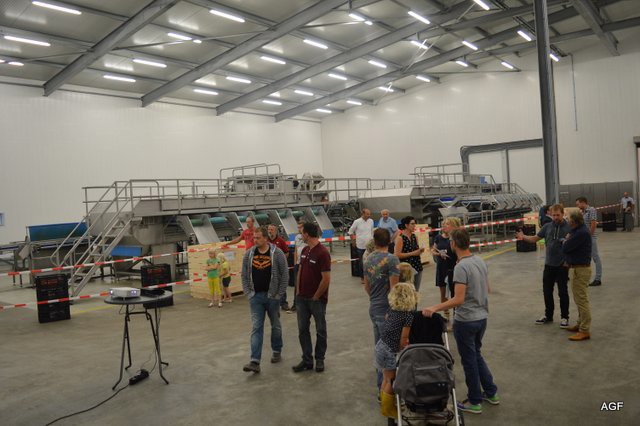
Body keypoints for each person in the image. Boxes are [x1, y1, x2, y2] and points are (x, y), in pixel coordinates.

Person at [422, 228, 499, 415]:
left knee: (469, 361)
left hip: (466, 321)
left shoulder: (461, 267)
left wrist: (435, 308)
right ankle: (491, 392)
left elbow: (458, 299)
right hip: (481, 318)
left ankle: (474, 401)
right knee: (476, 355)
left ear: (453, 244)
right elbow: (487, 288)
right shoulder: (479, 260)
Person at [241, 227, 289, 373]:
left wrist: (279, 294)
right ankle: (254, 361)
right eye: (254, 238)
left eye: (258, 238)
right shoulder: (249, 254)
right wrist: (248, 293)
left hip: (272, 297)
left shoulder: (277, 253)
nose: (255, 240)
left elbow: (285, 274)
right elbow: (244, 275)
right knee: (256, 327)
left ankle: (277, 350)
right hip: (255, 298)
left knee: (276, 325)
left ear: (265, 238)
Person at [516, 204, 571, 327]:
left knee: (563, 292)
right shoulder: (547, 227)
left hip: (562, 266)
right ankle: (548, 315)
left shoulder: (569, 227)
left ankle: (564, 317)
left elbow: (574, 245)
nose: (555, 217)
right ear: (550, 214)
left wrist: (568, 262)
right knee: (547, 291)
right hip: (549, 265)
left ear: (563, 214)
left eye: (558, 215)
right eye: (554, 215)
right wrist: (523, 237)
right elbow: (535, 239)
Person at [363, 228, 400, 392]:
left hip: (374, 307)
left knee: (379, 346)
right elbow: (394, 289)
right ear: (389, 241)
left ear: (375, 241)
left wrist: (375, 299)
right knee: (389, 349)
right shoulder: (392, 259)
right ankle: (386, 389)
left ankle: (381, 384)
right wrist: (392, 310)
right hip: (386, 310)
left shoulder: (368, 259)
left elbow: (367, 286)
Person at [293, 222, 331, 373]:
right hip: (301, 298)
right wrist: (298, 291)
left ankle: (319, 359)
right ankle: (307, 360)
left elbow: (326, 279)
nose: (301, 235)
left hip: (317, 300)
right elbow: (300, 271)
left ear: (307, 234)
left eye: (302, 232)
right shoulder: (304, 250)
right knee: (303, 330)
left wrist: (316, 296)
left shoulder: (323, 252)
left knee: (320, 330)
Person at [376, 283, 418, 418]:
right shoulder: (408, 315)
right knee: (391, 380)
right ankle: (388, 410)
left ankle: (384, 403)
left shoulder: (391, 309)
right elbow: (404, 337)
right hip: (390, 350)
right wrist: (403, 349)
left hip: (381, 346)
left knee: (385, 378)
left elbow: (387, 321)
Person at [562, 211, 593, 341]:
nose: (567, 221)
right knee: (578, 299)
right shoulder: (577, 230)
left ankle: (584, 330)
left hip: (580, 270)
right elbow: (568, 239)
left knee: (581, 300)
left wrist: (565, 241)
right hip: (576, 269)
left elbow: (565, 247)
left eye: (568, 219)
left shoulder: (581, 233)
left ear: (573, 221)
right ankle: (580, 323)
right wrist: (567, 239)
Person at [430, 217, 461, 316]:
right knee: (443, 295)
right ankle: (446, 316)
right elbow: (433, 250)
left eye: (447, 224)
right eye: (443, 224)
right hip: (442, 268)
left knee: (455, 294)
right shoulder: (438, 237)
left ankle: (456, 315)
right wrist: (439, 254)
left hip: (453, 268)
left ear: (454, 226)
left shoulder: (456, 238)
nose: (444, 226)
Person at [575, 197, 603, 286]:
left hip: (590, 238)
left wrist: (588, 236)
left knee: (595, 258)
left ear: (583, 202)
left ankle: (598, 279)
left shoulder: (591, 210)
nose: (577, 206)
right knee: (586, 258)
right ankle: (585, 278)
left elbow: (593, 224)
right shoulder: (582, 212)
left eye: (578, 204)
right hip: (584, 239)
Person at [394, 216, 425, 291]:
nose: (414, 226)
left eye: (415, 224)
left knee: (416, 290)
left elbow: (416, 251)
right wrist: (413, 253)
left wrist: (420, 251)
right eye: (412, 224)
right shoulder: (400, 238)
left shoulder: (414, 237)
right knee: (407, 291)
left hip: (417, 266)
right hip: (406, 269)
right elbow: (397, 255)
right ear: (406, 225)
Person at [267, 224, 292, 311]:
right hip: (268, 266)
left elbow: (286, 252)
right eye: (269, 229)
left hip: (278, 267)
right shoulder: (265, 240)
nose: (270, 231)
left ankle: (283, 303)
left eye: (272, 230)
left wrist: (282, 262)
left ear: (276, 231)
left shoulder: (280, 241)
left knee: (281, 285)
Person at [348, 208, 374, 282]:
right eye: (367, 214)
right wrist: (353, 241)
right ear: (363, 214)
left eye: (369, 214)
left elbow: (371, 231)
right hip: (360, 245)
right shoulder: (357, 222)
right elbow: (350, 232)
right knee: (362, 262)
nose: (369, 215)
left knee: (371, 261)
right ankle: (363, 277)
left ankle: (371, 276)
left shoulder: (371, 221)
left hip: (370, 246)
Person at [288, 220, 307, 314]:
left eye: (300, 227)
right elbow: (296, 250)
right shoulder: (296, 237)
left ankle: (306, 305)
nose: (299, 229)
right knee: (297, 285)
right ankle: (295, 305)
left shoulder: (307, 237)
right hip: (298, 264)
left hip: (306, 264)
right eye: (298, 227)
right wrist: (295, 263)